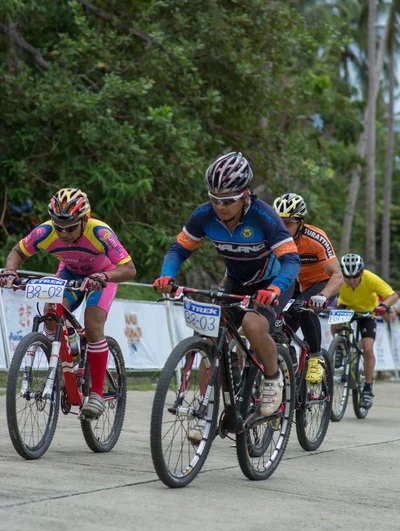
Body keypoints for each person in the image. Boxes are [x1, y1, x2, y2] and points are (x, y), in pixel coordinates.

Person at [153, 151, 301, 432]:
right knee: (209, 338)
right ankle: (206, 409)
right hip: (235, 281)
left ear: (245, 195)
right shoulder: (204, 215)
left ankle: (272, 377)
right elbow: (178, 250)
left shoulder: (263, 216)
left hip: (272, 283)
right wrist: (166, 276)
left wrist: (274, 288)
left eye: (227, 200)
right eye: (214, 198)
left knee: (252, 324)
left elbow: (291, 261)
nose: (220, 206)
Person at [0, 188, 136, 418]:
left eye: (70, 227)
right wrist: (10, 271)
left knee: (92, 326)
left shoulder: (100, 232)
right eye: (58, 226)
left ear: (85, 220)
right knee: (51, 313)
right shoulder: (44, 231)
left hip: (103, 276)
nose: (63, 233)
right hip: (69, 274)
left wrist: (103, 277)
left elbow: (129, 269)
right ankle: (68, 364)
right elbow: (17, 252)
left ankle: (96, 395)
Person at [273, 193, 343, 383]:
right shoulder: (272, 238)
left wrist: (323, 295)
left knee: (304, 308)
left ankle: (315, 357)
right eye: (279, 222)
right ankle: (290, 363)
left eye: (288, 222)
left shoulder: (315, 238)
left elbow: (338, 275)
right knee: (276, 329)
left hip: (321, 284)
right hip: (293, 284)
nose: (283, 227)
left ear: (300, 222)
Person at [335, 253, 398, 409]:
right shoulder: (338, 278)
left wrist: (383, 307)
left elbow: (392, 295)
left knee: (368, 349)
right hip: (346, 310)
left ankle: (368, 388)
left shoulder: (370, 278)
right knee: (334, 321)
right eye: (347, 277)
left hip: (367, 313)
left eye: (354, 277)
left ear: (361, 273)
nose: (350, 281)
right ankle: (338, 349)